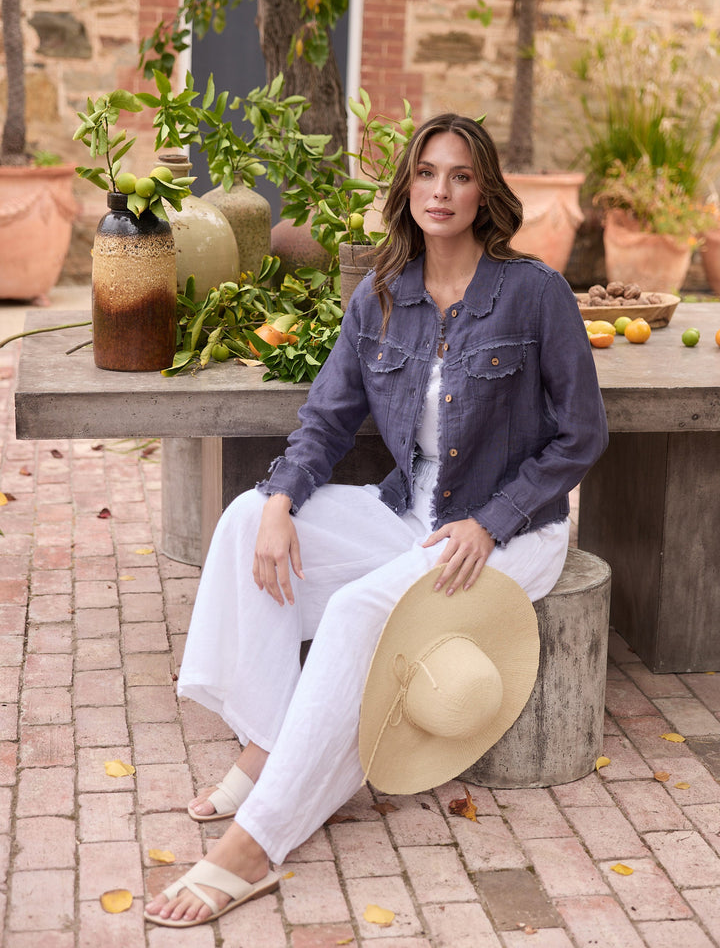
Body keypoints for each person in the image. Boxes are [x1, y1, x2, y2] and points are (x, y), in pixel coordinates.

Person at [144, 113, 608, 928]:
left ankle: (258, 840)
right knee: (244, 519)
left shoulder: (533, 292)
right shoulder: (382, 294)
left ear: (484, 190)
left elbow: (582, 436)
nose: (442, 190)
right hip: (412, 511)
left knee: (365, 608)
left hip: (512, 532)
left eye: (461, 175)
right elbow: (325, 420)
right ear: (408, 187)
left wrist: (493, 522)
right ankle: (269, 741)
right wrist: (283, 499)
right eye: (428, 173)